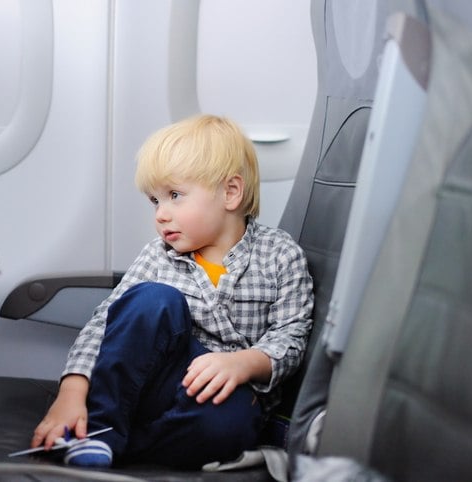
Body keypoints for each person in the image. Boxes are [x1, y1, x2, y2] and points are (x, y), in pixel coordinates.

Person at [31, 114, 314, 469]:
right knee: (153, 299)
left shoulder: (280, 254)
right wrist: (71, 393)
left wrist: (244, 364)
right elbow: (104, 325)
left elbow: (291, 337)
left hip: (222, 396)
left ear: (230, 192)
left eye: (175, 196)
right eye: (155, 201)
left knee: (230, 425)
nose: (161, 215)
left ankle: (112, 444)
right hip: (154, 382)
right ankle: (101, 429)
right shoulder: (159, 255)